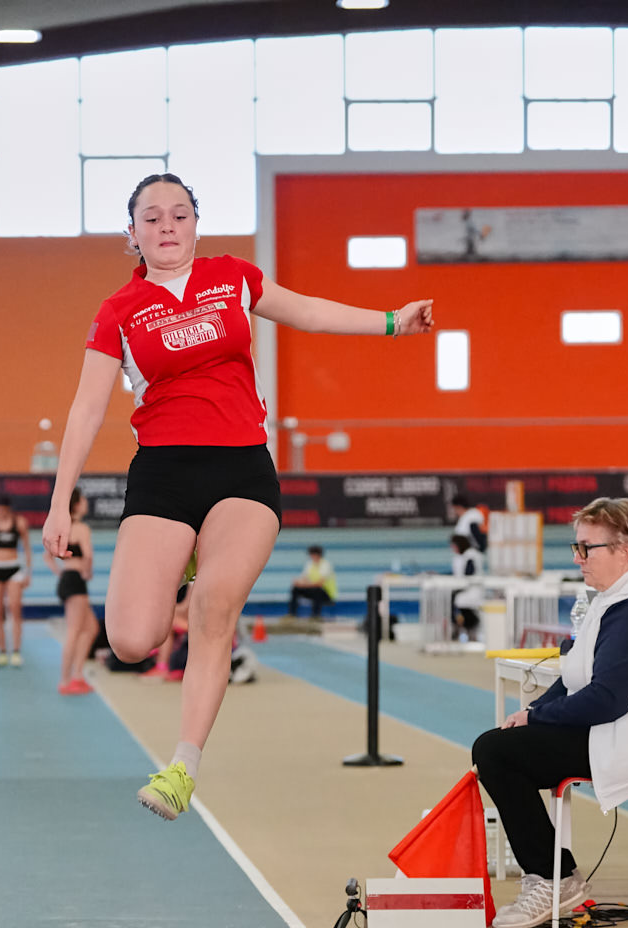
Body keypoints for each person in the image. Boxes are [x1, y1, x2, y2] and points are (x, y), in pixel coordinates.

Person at [41, 171, 434, 820]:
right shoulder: (118, 312)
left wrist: (392, 321)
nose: (167, 226)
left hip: (240, 470)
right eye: (152, 217)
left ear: (196, 223)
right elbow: (85, 411)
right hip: (163, 473)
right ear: (132, 233)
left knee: (212, 608)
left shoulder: (233, 277)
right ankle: (184, 557)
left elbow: (309, 311)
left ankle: (182, 766)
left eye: (179, 214)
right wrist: (60, 502)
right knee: (131, 640)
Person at [471, 499, 628, 928]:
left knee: (496, 753)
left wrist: (538, 720)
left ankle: (553, 878)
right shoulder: (614, 600)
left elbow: (607, 700)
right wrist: (533, 712)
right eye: (575, 547)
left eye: (586, 548)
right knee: (499, 747)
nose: (577, 558)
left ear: (624, 549)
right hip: (615, 729)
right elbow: (576, 678)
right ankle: (552, 873)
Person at [55, 492, 98, 695]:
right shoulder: (81, 528)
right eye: (84, 500)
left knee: (91, 628)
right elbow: (88, 555)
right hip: (75, 580)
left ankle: (77, 675)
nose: (86, 503)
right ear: (78, 504)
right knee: (74, 631)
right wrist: (87, 572)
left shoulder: (64, 528)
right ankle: (65, 680)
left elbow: (48, 555)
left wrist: (61, 572)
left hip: (67, 578)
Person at [0, 495, 31, 666]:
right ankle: (2, 651)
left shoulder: (19, 523)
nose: (0, 513)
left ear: (8, 509)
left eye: (2, 510)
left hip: (13, 569)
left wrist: (28, 572)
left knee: (15, 609)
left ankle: (16, 651)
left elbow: (27, 548)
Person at [288, 545, 337, 619]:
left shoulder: (325, 565)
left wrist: (303, 585)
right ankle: (292, 614)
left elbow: (319, 584)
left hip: (327, 594)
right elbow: (304, 578)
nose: (311, 557)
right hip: (313, 590)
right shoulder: (310, 564)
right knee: (295, 589)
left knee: (317, 591)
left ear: (318, 555)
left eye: (313, 554)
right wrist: (298, 582)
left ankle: (316, 615)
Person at [450, 533, 482, 639]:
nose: (452, 549)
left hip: (471, 590)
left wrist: (459, 586)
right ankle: (458, 627)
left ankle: (466, 629)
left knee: (458, 602)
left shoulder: (471, 556)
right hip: (466, 590)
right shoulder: (461, 557)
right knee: (453, 599)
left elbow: (468, 574)